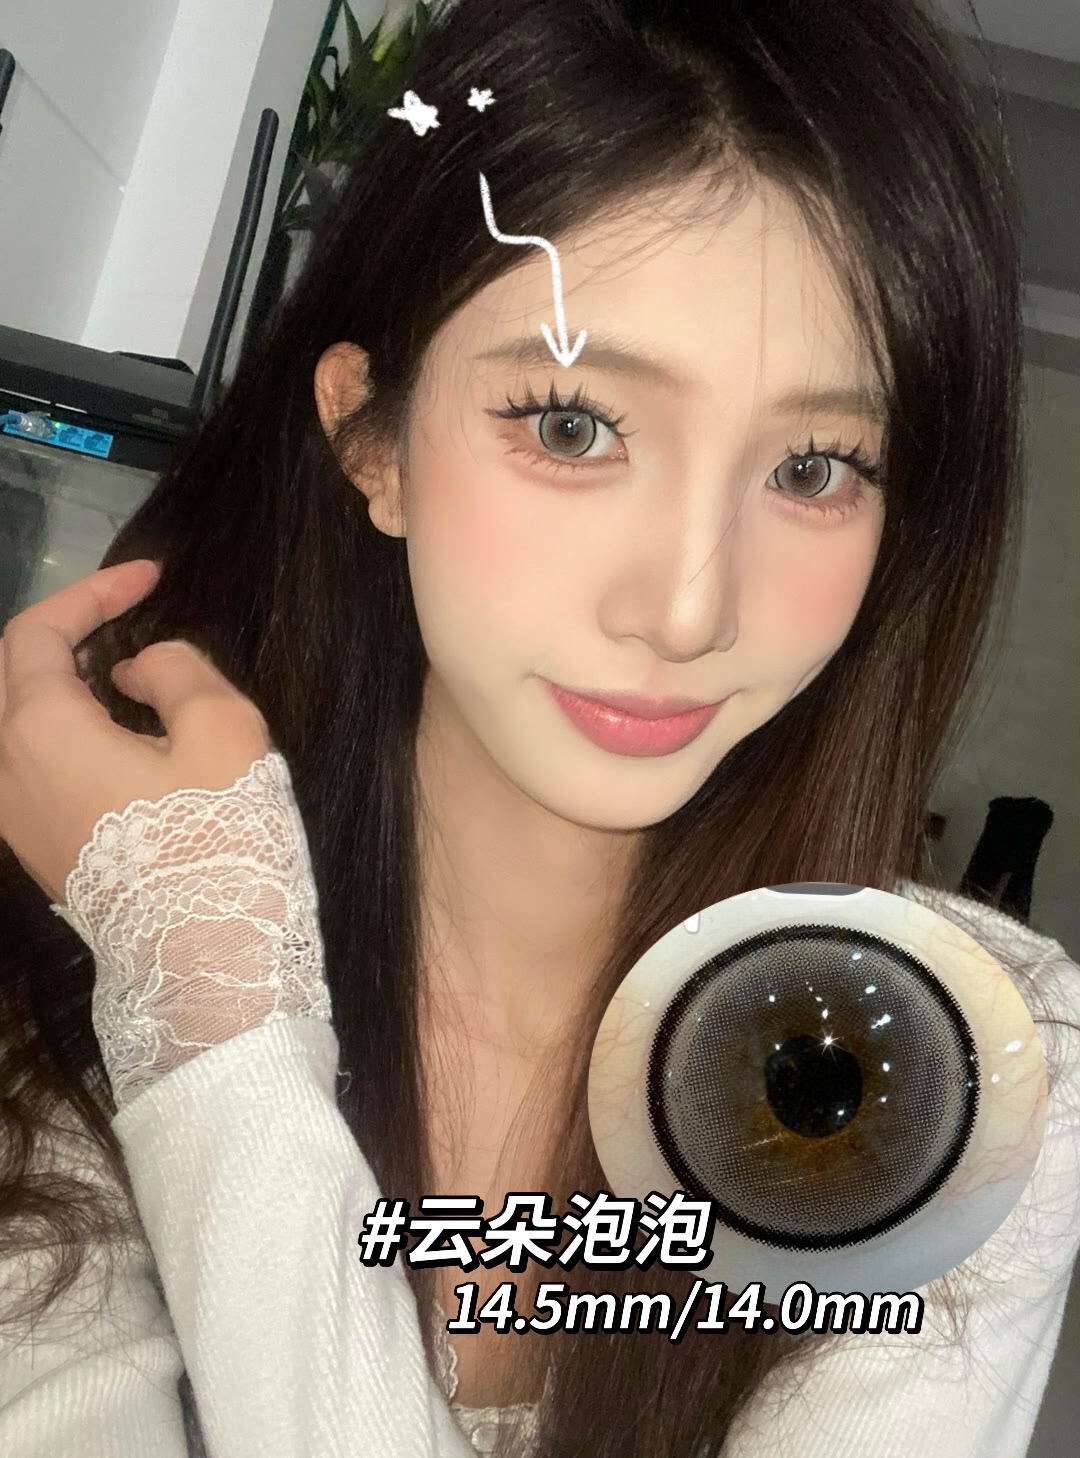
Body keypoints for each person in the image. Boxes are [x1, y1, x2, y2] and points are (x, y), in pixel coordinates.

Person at [0, 1, 1078, 1454]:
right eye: (574, 426)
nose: (688, 609)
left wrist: (212, 1019)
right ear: (371, 438)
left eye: (815, 465)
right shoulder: (62, 1010)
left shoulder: (971, 1059)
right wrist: (181, 973)